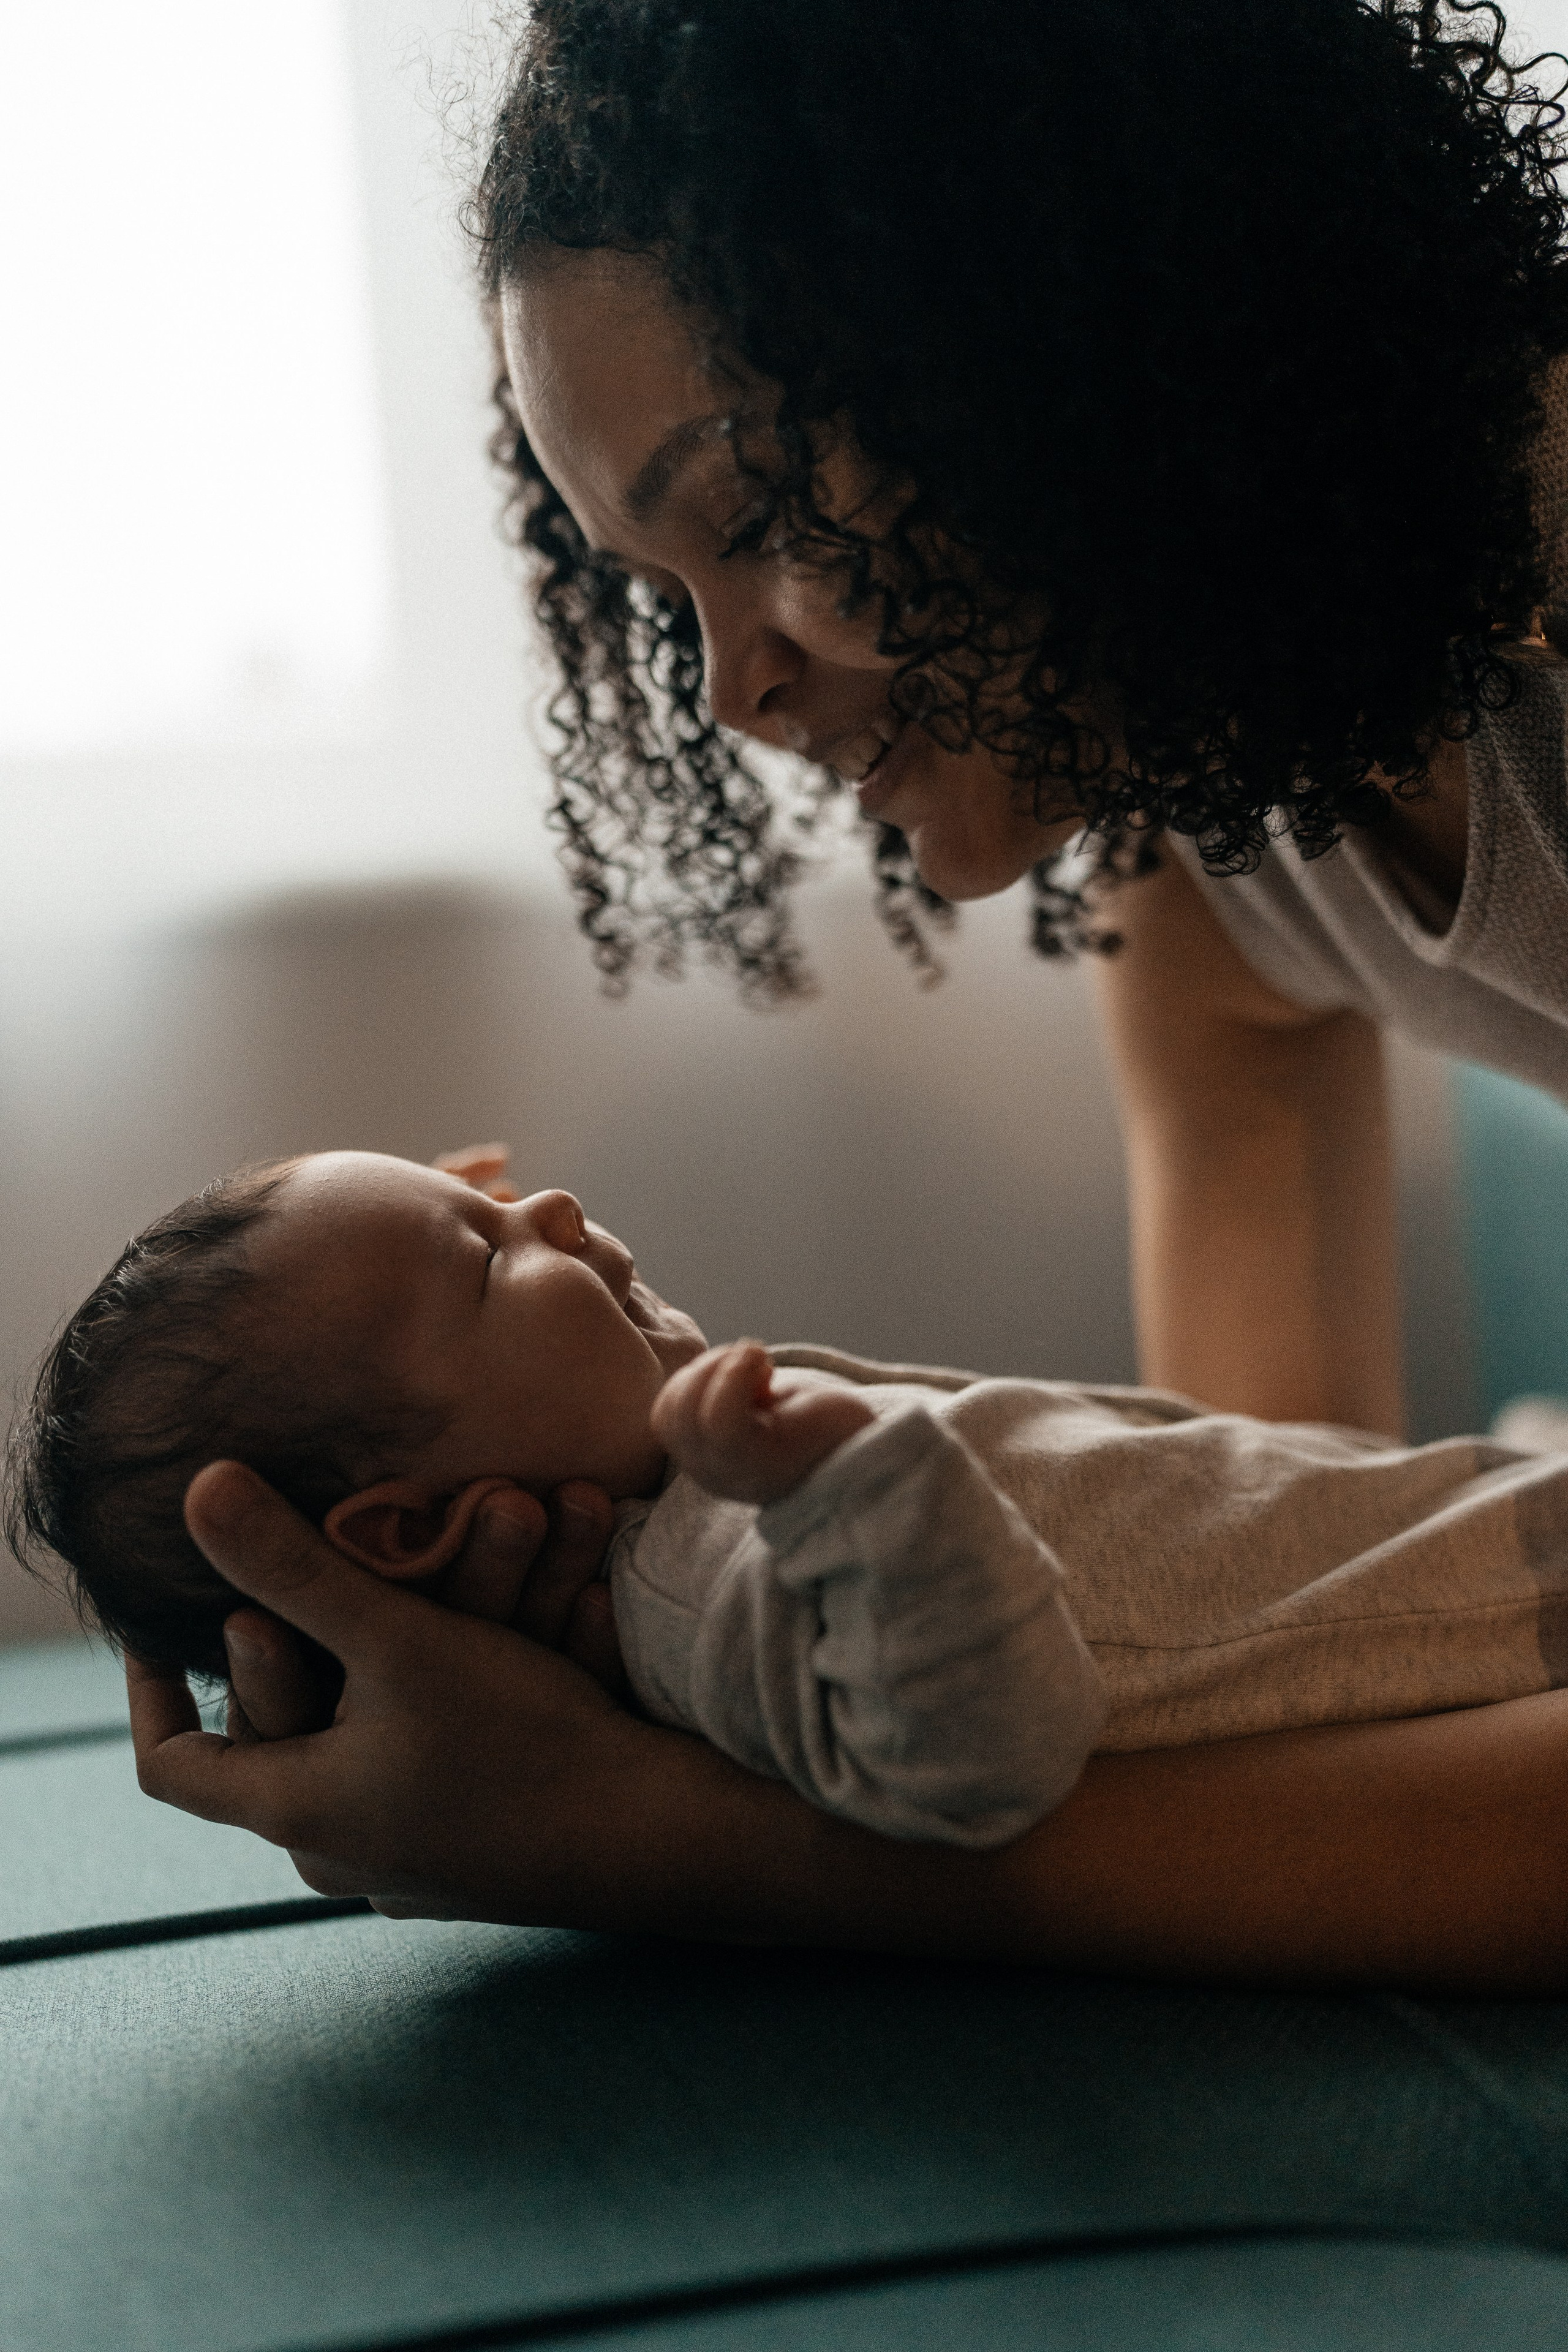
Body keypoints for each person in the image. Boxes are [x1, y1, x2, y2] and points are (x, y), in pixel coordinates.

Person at [127, 0, 1568, 1988]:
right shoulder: (1204, 808)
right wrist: (688, 1645)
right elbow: (1286, 1590)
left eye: (760, 517)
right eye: (654, 585)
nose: (730, 687)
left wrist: (666, 1840)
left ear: (1064, 331)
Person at [29, 1145, 1568, 1849]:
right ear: (413, 1530)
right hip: (1516, 1620)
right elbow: (975, 1761)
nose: (553, 1205)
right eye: (490, 1253)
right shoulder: (707, 1598)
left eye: (497, 1196)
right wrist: (856, 1489)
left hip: (1460, 1530)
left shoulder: (691, 1515)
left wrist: (449, 1248)